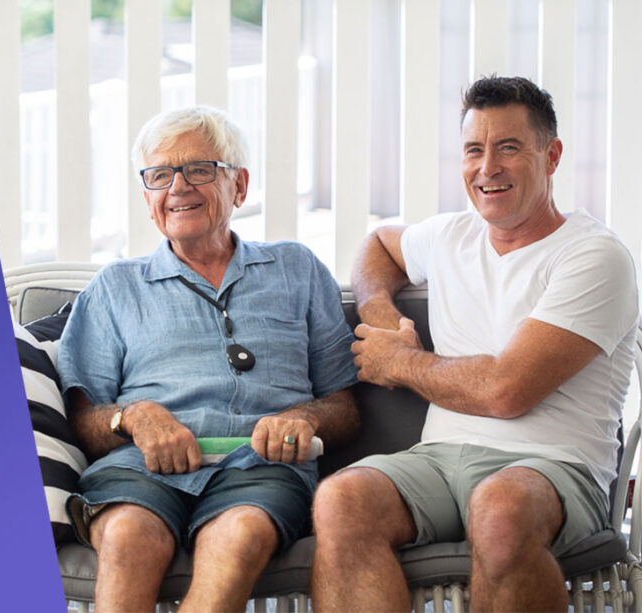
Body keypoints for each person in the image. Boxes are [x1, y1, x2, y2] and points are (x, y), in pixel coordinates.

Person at [311, 76, 639, 612]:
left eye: (509, 147)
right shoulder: (451, 236)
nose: (487, 168)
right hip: (438, 460)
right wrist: (383, 315)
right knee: (342, 500)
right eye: (473, 150)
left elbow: (505, 391)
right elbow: (377, 244)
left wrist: (400, 361)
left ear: (551, 155)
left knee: (501, 510)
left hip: (553, 465)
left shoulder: (594, 256)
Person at [58, 106, 359, 612]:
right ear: (148, 195)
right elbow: (82, 421)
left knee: (239, 534)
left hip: (263, 466)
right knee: (129, 534)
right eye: (159, 174)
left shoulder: (297, 269)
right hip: (141, 466)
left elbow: (347, 407)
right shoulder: (116, 287)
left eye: (199, 169)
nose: (177, 186)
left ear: (239, 186)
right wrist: (132, 416)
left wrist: (302, 418)